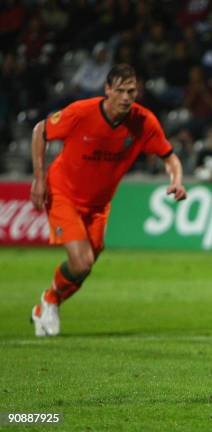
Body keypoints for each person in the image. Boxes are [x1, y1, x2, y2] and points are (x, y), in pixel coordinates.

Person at [30, 64, 187, 337]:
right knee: (81, 263)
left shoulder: (143, 121)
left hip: (99, 205)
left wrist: (177, 179)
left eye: (132, 91)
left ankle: (49, 301)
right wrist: (39, 178)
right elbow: (39, 132)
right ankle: (50, 300)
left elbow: (169, 157)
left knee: (85, 266)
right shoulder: (81, 113)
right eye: (121, 91)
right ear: (107, 90)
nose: (127, 97)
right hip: (63, 193)